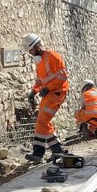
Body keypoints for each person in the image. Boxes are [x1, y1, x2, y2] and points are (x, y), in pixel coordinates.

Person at [22, 33, 69, 161]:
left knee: (42, 120)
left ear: (37, 46)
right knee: (42, 122)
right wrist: (33, 92)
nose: (30, 53)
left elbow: (63, 76)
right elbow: (40, 80)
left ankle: (39, 153)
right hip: (49, 94)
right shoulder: (40, 62)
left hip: (57, 92)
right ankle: (57, 150)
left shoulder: (53, 56)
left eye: (31, 50)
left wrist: (48, 88)